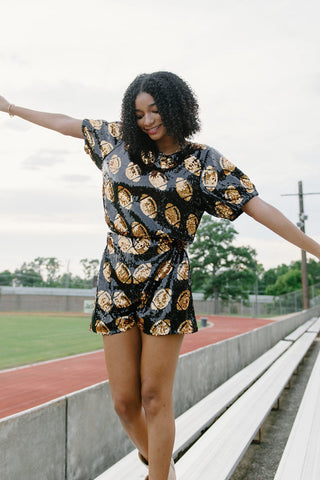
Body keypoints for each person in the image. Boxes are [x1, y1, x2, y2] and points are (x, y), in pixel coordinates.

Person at [1, 71, 319, 480]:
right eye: (139, 113)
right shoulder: (116, 141)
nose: (148, 121)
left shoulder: (204, 163)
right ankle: (160, 464)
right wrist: (9, 107)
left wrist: (315, 249)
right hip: (115, 275)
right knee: (124, 403)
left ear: (176, 109)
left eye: (155, 111)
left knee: (154, 397)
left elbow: (260, 208)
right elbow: (66, 122)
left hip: (165, 278)